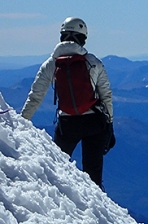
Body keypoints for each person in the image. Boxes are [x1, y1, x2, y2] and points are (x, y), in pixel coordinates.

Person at [21, 17, 115, 189]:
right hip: (94, 122)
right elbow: (106, 95)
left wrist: (21, 122)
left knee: (57, 168)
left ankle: (58, 201)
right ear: (83, 38)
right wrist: (109, 124)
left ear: (62, 36)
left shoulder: (51, 64)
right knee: (93, 174)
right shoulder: (92, 62)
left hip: (67, 124)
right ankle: (96, 210)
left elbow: (35, 96)